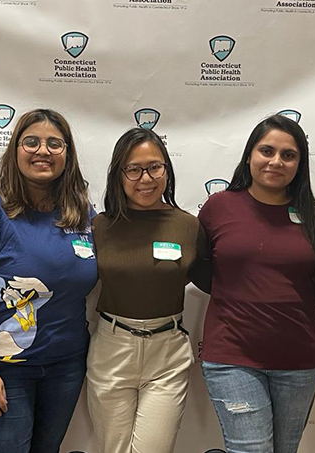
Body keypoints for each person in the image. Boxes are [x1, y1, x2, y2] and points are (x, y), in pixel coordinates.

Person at [0, 109, 96, 453]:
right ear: (15, 150)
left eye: (54, 144)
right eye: (32, 142)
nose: (43, 151)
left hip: (66, 365)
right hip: (1, 368)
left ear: (67, 156)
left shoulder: (82, 213)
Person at [195, 114, 315, 453]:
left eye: (288, 155)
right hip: (232, 357)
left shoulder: (314, 214)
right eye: (266, 150)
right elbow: (199, 269)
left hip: (300, 360)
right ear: (249, 155)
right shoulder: (218, 207)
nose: (276, 161)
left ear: (300, 164)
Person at [87, 128, 205, 453]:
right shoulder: (99, 226)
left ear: (167, 169)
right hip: (112, 347)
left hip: (167, 352)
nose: (146, 178)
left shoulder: (188, 226)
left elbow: (214, 278)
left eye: (155, 167)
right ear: (119, 174)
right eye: (134, 169)